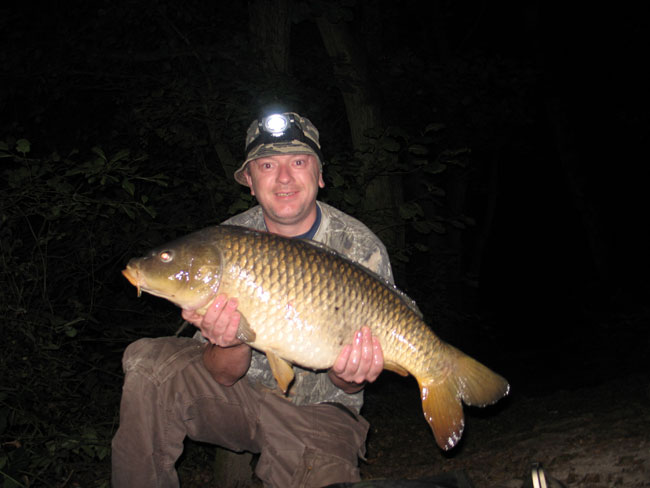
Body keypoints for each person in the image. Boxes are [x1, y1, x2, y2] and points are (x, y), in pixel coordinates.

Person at [111, 111, 395, 487]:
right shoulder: (226, 240)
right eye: (266, 164)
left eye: (298, 161)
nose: (283, 178)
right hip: (237, 399)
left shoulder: (360, 247)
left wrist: (351, 376)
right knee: (149, 365)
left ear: (320, 174)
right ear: (249, 181)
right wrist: (228, 341)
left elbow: (351, 386)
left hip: (320, 412)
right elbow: (223, 374)